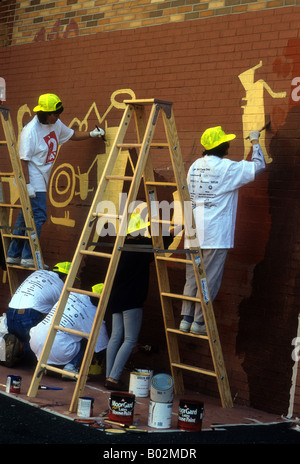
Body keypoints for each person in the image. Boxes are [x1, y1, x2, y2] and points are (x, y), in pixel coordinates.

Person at [180, 126, 266, 335]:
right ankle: (199, 323)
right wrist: (255, 142)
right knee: (209, 280)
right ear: (222, 146)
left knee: (192, 279)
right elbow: (258, 166)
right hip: (215, 235)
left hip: (194, 233)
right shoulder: (227, 168)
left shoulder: (195, 166)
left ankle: (186, 319)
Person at [6, 93, 105, 268]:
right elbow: (23, 160)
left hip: (40, 177)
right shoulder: (30, 131)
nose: (58, 117)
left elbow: (72, 134)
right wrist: (27, 184)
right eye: (55, 114)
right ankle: (29, 257)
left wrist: (92, 134)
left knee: (24, 217)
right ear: (45, 113)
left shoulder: (56, 124)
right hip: (31, 176)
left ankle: (13, 254)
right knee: (39, 215)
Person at [104, 214, 172, 391]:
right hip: (132, 299)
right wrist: (178, 227)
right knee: (130, 339)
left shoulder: (121, 246)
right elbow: (164, 241)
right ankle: (113, 377)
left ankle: (108, 375)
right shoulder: (141, 247)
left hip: (115, 297)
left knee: (115, 337)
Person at [29, 285, 109, 377]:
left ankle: (46, 365)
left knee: (64, 333)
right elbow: (102, 346)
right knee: (88, 338)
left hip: (35, 341)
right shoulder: (94, 313)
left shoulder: (71, 294)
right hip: (57, 349)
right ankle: (71, 368)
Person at [5, 261, 70, 364]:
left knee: (24, 338)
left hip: (10, 314)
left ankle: (11, 347)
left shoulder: (38, 273)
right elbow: (60, 311)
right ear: (66, 277)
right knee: (37, 348)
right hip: (27, 316)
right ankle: (19, 349)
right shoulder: (60, 286)